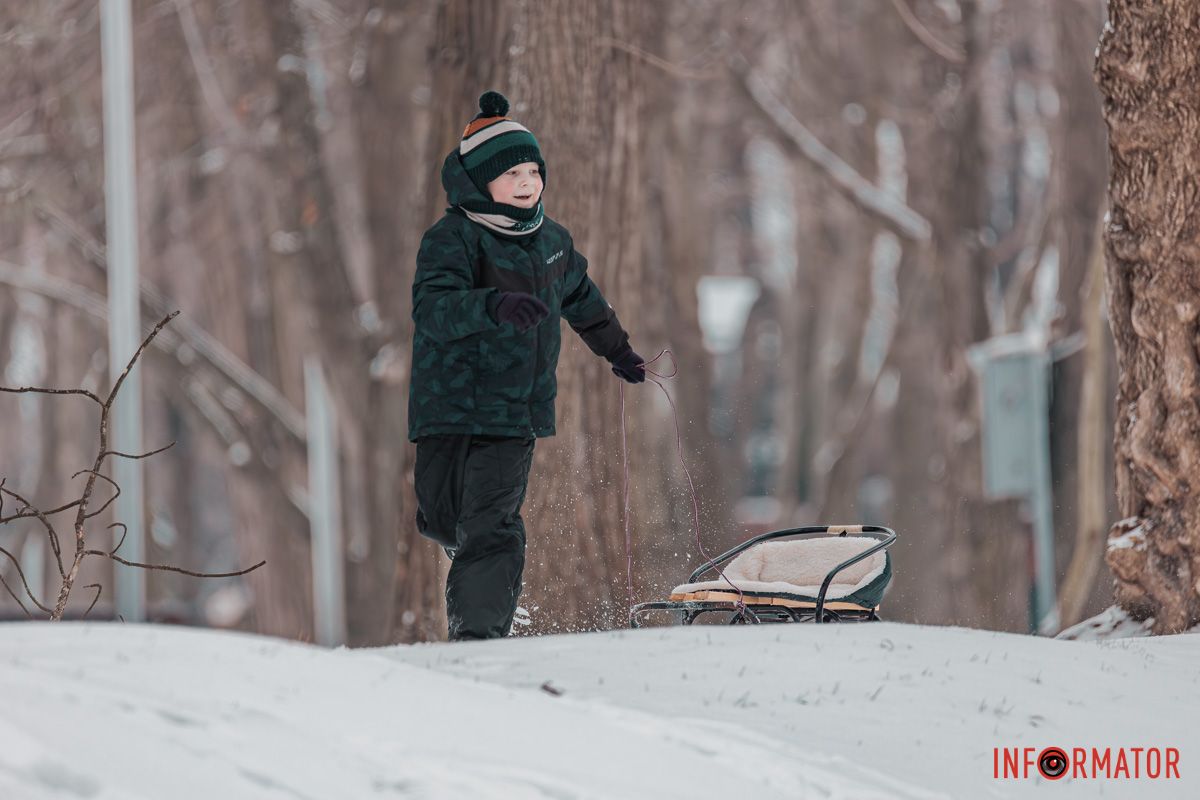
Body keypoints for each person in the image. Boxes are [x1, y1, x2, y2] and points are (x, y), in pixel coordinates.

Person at [408, 90, 645, 641]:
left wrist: (619, 350)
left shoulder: (552, 243)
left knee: (491, 528)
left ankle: (479, 639)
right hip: (445, 407)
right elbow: (433, 310)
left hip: (512, 413)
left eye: (533, 170)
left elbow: (584, 299)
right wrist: (493, 304)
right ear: (478, 181)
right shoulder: (453, 239)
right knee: (442, 520)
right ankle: (477, 579)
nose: (526, 182)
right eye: (511, 172)